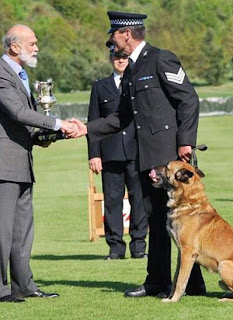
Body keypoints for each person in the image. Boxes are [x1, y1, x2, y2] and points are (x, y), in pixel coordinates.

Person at [69, 11, 206, 298]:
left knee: (185, 221)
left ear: (127, 34)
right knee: (156, 219)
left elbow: (188, 99)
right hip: (146, 158)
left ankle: (193, 285)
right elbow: (121, 117)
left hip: (170, 157)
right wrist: (87, 129)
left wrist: (185, 143)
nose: (111, 42)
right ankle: (158, 282)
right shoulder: (131, 69)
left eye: (113, 36)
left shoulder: (161, 58)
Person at [0, 24, 77, 303]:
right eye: (31, 43)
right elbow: (18, 112)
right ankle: (2, 289)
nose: (36, 48)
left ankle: (24, 286)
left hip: (21, 161)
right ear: (14, 46)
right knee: (2, 231)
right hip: (4, 166)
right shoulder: (1, 73)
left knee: (22, 231)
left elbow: (21, 122)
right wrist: (58, 122)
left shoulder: (20, 74)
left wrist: (45, 136)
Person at [88, 42, 148, 260]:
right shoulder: (99, 86)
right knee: (112, 201)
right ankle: (115, 247)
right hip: (110, 152)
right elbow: (93, 122)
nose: (120, 61)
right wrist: (94, 154)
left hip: (136, 151)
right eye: (116, 58)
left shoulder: (137, 83)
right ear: (111, 60)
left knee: (138, 199)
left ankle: (139, 246)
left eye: (124, 57)